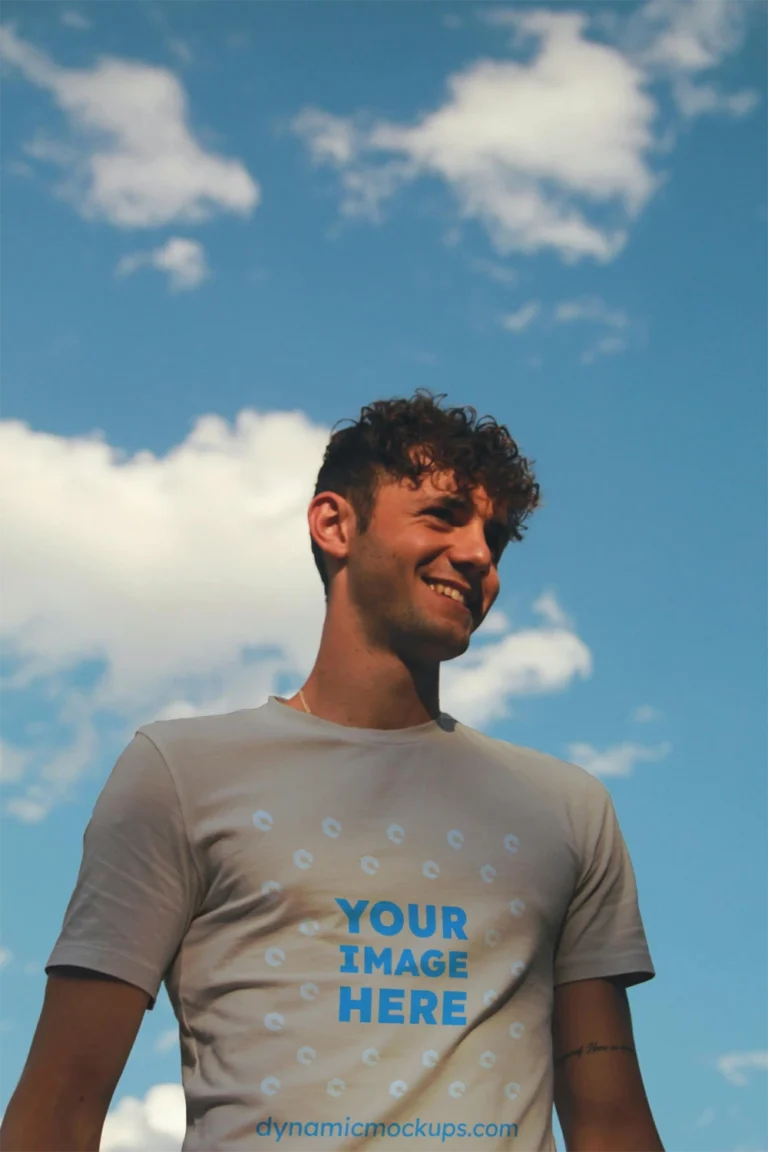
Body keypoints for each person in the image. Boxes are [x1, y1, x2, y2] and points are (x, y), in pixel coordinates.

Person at [0, 390, 665, 1152]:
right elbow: (58, 1108)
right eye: (444, 515)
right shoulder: (180, 773)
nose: (481, 554)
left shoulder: (568, 810)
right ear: (334, 525)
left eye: (497, 536)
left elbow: (611, 1123)